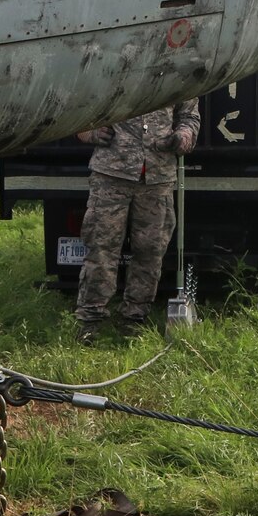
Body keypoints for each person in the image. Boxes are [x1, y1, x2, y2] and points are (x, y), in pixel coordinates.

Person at [73, 100, 202, 341]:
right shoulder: (117, 75)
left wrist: (182, 138)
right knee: (101, 247)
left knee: (150, 251)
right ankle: (90, 319)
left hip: (157, 176)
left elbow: (189, 117)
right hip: (111, 173)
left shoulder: (177, 79)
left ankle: (134, 318)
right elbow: (81, 107)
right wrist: (90, 133)